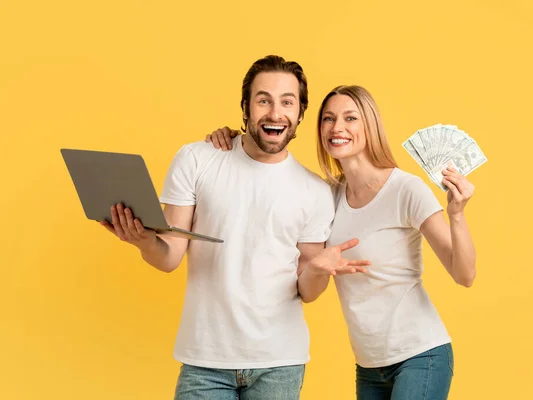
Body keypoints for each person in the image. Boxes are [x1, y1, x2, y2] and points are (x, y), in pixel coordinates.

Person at [99, 56, 370, 400]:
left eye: (287, 102)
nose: (275, 112)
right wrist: (142, 241)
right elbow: (168, 257)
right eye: (263, 100)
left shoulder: (315, 191)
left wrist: (317, 269)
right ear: (245, 107)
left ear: (300, 113)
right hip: (205, 360)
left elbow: (309, 291)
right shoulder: (197, 159)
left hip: (279, 362)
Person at [207, 84, 477, 400]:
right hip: (369, 365)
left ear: (370, 126)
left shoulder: (406, 190)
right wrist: (236, 141)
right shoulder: (328, 196)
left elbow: (465, 275)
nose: (337, 128)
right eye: (329, 119)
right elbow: (272, 180)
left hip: (421, 355)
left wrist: (456, 214)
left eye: (351, 118)